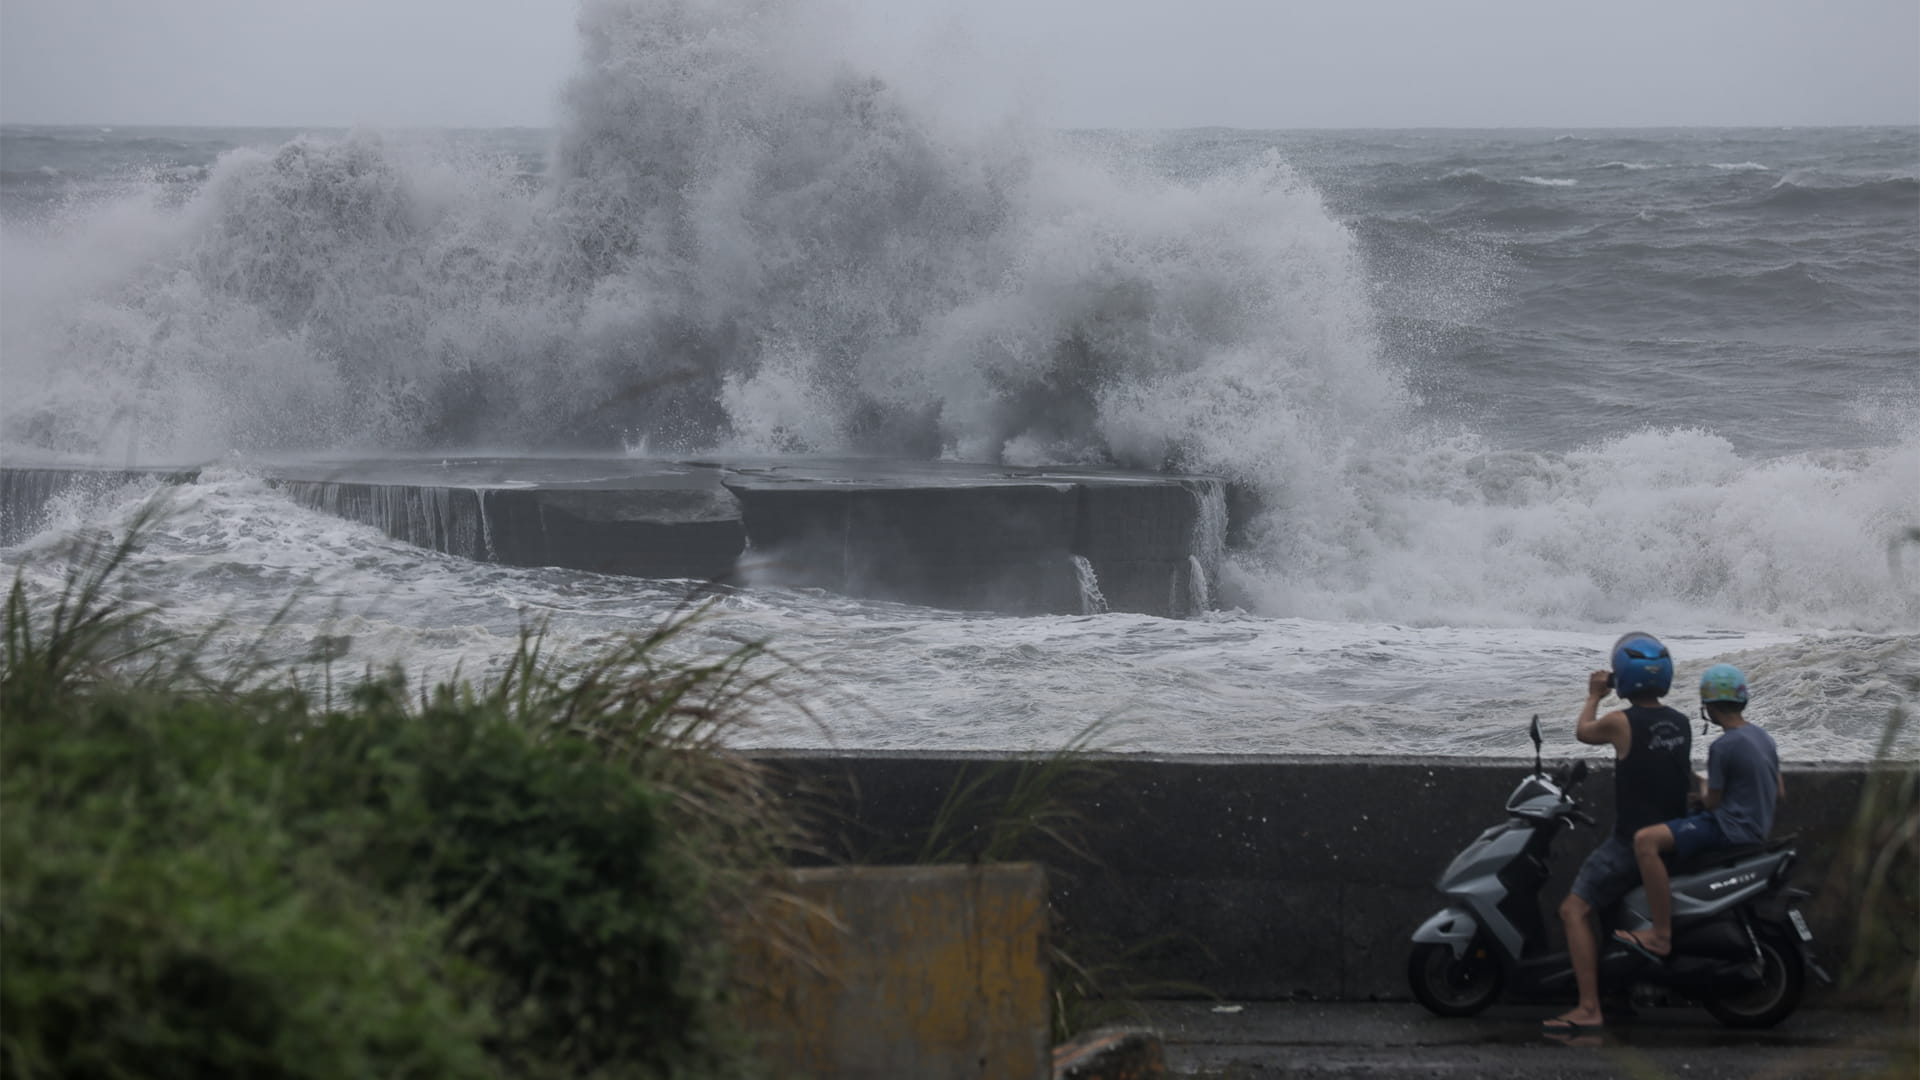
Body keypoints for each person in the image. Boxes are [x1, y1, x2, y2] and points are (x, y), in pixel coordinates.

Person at [1543, 632, 1692, 1033]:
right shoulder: (1680, 722)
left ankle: (1589, 1007)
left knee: (1573, 910)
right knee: (1611, 911)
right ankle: (1618, 993)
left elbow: (1583, 732)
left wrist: (1594, 694)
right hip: (1673, 835)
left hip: (1632, 842)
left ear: (1623, 677)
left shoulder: (1620, 722)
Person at [1613, 663, 1783, 961]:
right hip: (1757, 827)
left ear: (1708, 707)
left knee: (1645, 841)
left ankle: (1660, 934)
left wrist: (1703, 792)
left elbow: (1714, 803)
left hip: (1730, 829)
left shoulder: (1724, 746)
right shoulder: (1763, 737)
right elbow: (1778, 790)